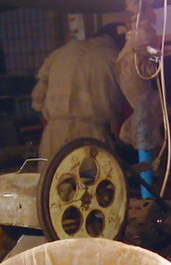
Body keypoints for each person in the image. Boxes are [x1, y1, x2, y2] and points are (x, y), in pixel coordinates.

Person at [30, 22, 128, 162]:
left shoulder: (61, 52)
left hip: (54, 133)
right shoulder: (115, 58)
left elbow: (37, 100)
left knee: (53, 181)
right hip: (91, 134)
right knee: (91, 180)